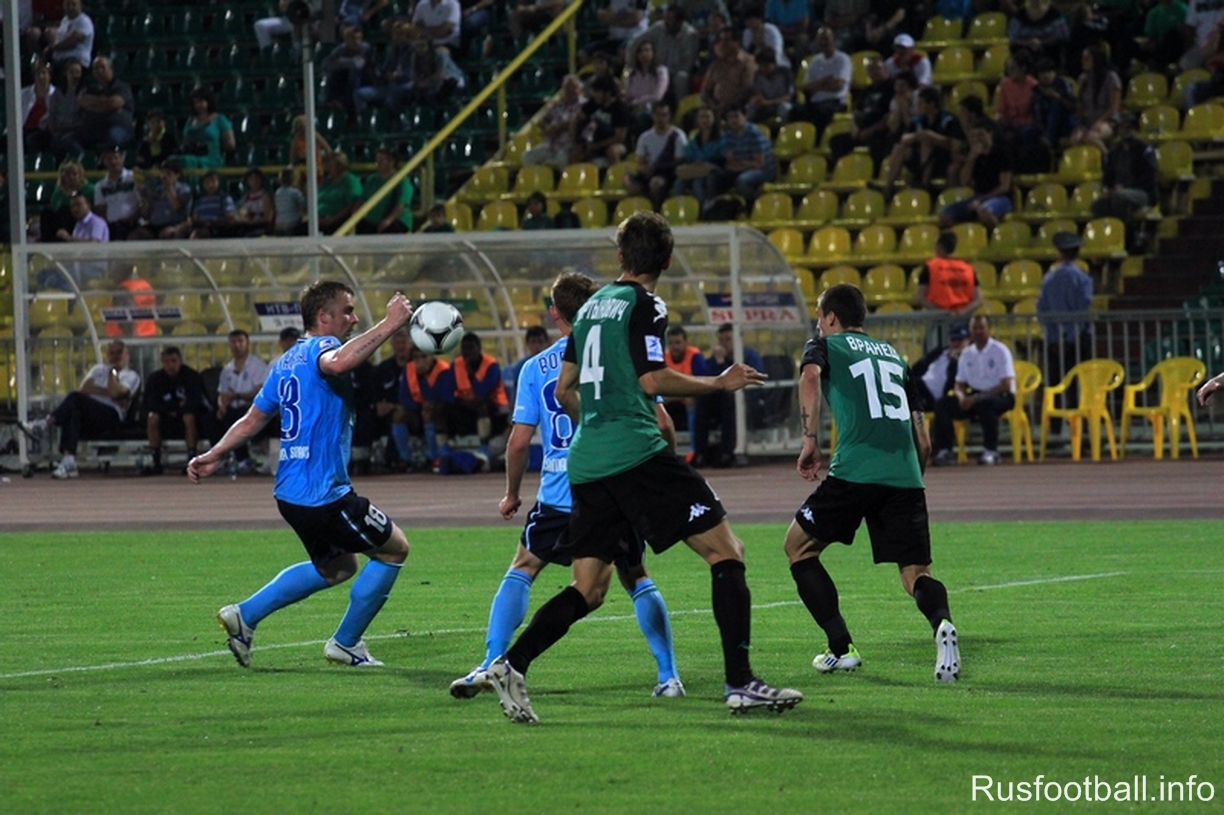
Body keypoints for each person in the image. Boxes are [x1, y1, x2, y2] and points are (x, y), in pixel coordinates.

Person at [480, 211, 802, 723]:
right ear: (667, 261)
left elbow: (564, 390)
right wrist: (718, 383)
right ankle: (741, 683)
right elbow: (652, 380)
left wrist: (598, 419)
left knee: (589, 588)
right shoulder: (646, 304)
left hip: (587, 461)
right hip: (636, 452)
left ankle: (511, 663)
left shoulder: (590, 308)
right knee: (727, 551)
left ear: (620, 256)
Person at [450, 271, 685, 700]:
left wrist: (512, 493)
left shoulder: (535, 368)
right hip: (616, 484)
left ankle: (491, 662)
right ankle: (669, 675)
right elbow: (664, 424)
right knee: (635, 576)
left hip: (561, 490)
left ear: (554, 313)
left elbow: (518, 442)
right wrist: (663, 476)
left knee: (524, 566)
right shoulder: (620, 355)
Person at [191, 282, 415, 669]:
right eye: (347, 311)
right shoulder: (320, 349)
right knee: (395, 549)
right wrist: (390, 323)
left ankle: (245, 614)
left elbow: (253, 419)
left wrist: (215, 453)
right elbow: (339, 363)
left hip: (290, 494)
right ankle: (346, 643)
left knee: (338, 567)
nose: (354, 318)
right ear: (323, 317)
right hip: (325, 494)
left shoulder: (285, 362)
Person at [784, 282, 961, 683]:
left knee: (798, 548)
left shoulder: (823, 346)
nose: (818, 324)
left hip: (853, 472)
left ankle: (841, 649)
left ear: (831, 317)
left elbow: (809, 377)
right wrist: (909, 482)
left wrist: (809, 440)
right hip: (905, 477)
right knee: (916, 574)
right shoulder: (896, 358)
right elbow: (924, 440)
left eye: (820, 316)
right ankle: (942, 624)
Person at [21, 339, 141, 480]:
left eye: (119, 353)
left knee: (74, 398)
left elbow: (117, 393)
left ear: (126, 354)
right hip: (89, 412)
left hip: (111, 415)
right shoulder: (98, 369)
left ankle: (43, 425)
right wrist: (110, 393)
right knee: (73, 411)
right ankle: (68, 461)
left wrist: (112, 374)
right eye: (112, 353)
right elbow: (84, 389)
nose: (115, 357)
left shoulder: (131, 376)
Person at [932, 314, 1016, 466]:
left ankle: (990, 451)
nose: (978, 331)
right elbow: (959, 384)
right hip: (974, 395)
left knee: (987, 405)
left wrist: (977, 398)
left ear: (989, 329)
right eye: (974, 328)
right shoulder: (967, 354)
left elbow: (1006, 384)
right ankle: (945, 450)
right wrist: (961, 397)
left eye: (981, 328)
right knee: (942, 404)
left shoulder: (1000, 350)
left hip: (1000, 395)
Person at [1037, 231, 1093, 435]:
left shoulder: (1049, 279)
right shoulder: (1082, 278)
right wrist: (1072, 335)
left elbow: (1042, 310)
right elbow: (1084, 309)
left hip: (1053, 339)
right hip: (1078, 339)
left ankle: (1054, 430)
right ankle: (1081, 429)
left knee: (1054, 384)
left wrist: (1053, 336)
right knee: (1078, 384)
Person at [693, 322, 764, 467]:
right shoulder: (715, 358)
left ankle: (727, 452)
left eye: (728, 339)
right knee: (703, 402)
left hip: (748, 401)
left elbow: (754, 382)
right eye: (721, 340)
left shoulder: (749, 356)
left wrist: (723, 367)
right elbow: (708, 380)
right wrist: (719, 362)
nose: (724, 344)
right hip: (720, 401)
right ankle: (700, 453)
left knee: (730, 402)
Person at [880, 85, 964, 200]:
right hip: (919, 159)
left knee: (927, 142)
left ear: (931, 104)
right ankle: (889, 187)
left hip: (942, 160)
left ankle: (924, 185)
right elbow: (905, 139)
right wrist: (919, 136)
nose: (917, 106)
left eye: (920, 103)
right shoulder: (918, 120)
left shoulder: (949, 120)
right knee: (900, 148)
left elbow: (954, 145)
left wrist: (931, 137)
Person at [1090, 112, 1159, 243]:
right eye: (1121, 127)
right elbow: (1108, 175)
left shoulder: (1144, 149)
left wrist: (1125, 187)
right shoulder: (1115, 151)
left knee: (1120, 197)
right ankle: (1104, 239)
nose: (1123, 130)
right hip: (1119, 191)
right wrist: (1107, 189)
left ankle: (1127, 236)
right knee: (1098, 205)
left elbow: (1149, 177)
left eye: (1126, 126)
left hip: (1142, 192)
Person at [141, 346, 207, 476]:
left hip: (187, 417)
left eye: (173, 361)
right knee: (152, 417)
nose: (170, 365)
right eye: (166, 362)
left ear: (180, 361)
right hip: (164, 418)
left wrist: (177, 409)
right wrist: (173, 407)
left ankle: (191, 460)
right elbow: (151, 403)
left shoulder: (192, 376)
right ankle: (156, 461)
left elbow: (195, 401)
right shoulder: (155, 379)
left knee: (189, 417)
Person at [938, 123, 1014, 230]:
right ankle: (963, 236)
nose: (978, 139)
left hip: (1000, 198)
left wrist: (982, 200)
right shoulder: (974, 156)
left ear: (990, 134)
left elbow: (1004, 187)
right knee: (944, 213)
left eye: (981, 135)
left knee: (984, 211)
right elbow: (964, 182)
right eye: (974, 136)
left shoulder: (1001, 153)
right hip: (978, 197)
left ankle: (997, 236)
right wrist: (971, 158)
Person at [214, 329, 270, 474]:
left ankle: (246, 458)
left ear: (247, 343)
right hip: (233, 407)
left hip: (252, 407)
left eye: (240, 341)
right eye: (233, 342)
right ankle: (221, 459)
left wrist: (237, 396)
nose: (237, 345)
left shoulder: (257, 365)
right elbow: (223, 393)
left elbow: (259, 391)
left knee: (239, 417)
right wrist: (221, 407)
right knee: (213, 418)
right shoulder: (227, 369)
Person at [450, 331, 509, 458]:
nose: (467, 352)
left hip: (494, 407)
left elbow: (483, 392)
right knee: (440, 407)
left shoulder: (491, 365)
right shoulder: (456, 365)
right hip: (466, 405)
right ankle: (441, 451)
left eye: (470, 348)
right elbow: (448, 390)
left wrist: (471, 374)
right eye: (464, 348)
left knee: (482, 405)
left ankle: (484, 447)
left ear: (479, 348)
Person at [396, 346, 456, 463]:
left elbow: (443, 395)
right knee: (399, 414)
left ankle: (433, 456)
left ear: (432, 356)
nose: (420, 361)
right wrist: (416, 406)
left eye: (424, 357)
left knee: (428, 410)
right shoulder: (409, 369)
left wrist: (422, 378)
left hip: (441, 410)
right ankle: (405, 458)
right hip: (417, 407)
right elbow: (403, 396)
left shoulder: (443, 370)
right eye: (416, 357)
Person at [710, 105, 775, 207]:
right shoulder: (728, 135)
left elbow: (759, 164)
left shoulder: (754, 133)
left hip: (763, 171)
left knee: (743, 180)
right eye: (730, 117)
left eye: (736, 116)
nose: (733, 120)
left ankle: (752, 207)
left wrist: (740, 164)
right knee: (715, 177)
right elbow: (730, 162)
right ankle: (719, 207)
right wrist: (739, 165)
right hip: (741, 168)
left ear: (745, 117)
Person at [626, 102, 687, 208]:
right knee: (632, 186)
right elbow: (640, 161)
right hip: (650, 173)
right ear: (653, 116)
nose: (661, 119)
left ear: (669, 116)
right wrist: (643, 169)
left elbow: (679, 161)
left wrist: (656, 168)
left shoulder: (678, 136)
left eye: (664, 115)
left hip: (668, 173)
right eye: (658, 115)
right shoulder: (645, 137)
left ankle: (656, 210)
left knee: (656, 184)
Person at [72, 56, 136, 154]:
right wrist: (105, 104)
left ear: (111, 69)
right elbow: (82, 100)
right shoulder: (91, 88)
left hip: (119, 127)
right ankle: (85, 158)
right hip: (95, 128)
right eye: (96, 68)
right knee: (67, 139)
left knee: (113, 137)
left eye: (102, 67)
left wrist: (93, 105)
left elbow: (113, 103)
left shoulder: (122, 87)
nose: (99, 71)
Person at [635, 5, 701, 100]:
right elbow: (637, 42)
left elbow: (688, 63)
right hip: (659, 68)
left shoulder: (690, 35)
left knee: (681, 78)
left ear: (679, 22)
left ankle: (681, 106)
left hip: (679, 71)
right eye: (665, 18)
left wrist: (668, 76)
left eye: (670, 19)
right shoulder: (658, 28)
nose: (666, 22)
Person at [796, 26, 851, 139]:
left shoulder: (843, 59)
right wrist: (823, 81)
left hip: (836, 102)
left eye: (826, 38)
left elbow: (837, 86)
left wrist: (816, 85)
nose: (824, 42)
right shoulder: (815, 61)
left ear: (833, 39)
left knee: (820, 113)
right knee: (795, 111)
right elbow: (805, 87)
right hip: (815, 102)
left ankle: (817, 142)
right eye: (821, 39)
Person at [521, 74, 585, 170]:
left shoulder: (583, 104)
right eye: (566, 88)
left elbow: (578, 121)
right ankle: (540, 178)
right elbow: (542, 121)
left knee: (561, 158)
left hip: (568, 145)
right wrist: (547, 128)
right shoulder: (558, 105)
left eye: (572, 88)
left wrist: (558, 128)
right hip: (551, 144)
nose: (569, 91)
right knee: (527, 156)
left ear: (579, 89)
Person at [374, 328, 414, 471]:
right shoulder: (384, 368)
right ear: (392, 345)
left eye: (404, 343)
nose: (401, 346)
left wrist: (395, 406)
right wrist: (377, 404)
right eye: (398, 343)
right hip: (387, 408)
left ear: (410, 344)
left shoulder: (416, 366)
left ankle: (398, 459)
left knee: (398, 415)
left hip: (410, 409)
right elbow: (376, 391)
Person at [570, 75, 632, 168]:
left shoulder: (620, 109)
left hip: (617, 143)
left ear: (607, 93)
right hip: (595, 141)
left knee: (612, 151)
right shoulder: (594, 103)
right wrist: (575, 142)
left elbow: (619, 137)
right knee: (576, 151)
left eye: (597, 92)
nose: (594, 95)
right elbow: (577, 119)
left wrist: (596, 146)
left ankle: (617, 175)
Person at [917, 231, 983, 318]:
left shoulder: (930, 267)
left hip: (938, 318)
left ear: (939, 246)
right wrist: (963, 312)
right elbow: (979, 299)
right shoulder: (968, 268)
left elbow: (920, 297)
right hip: (963, 318)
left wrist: (939, 312)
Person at [662, 324, 706, 455]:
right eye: (671, 343)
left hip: (689, 399)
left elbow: (701, 382)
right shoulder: (664, 358)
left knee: (693, 405)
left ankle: (694, 449)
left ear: (685, 342)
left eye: (678, 342)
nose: (674, 347)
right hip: (672, 398)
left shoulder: (695, 356)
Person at [1070, 44, 1122, 155]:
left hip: (1108, 119)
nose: (1083, 61)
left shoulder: (1111, 77)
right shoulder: (1083, 79)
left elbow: (1114, 108)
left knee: (1091, 138)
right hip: (1089, 120)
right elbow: (1081, 107)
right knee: (1076, 139)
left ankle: (1108, 159)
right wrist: (1081, 123)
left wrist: (1100, 121)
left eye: (1087, 58)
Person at [698, 27, 756, 120]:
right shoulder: (717, 64)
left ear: (737, 42)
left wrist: (726, 105)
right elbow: (705, 89)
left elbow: (746, 89)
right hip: (715, 106)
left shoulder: (747, 62)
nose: (722, 44)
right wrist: (711, 104)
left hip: (738, 107)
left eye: (726, 40)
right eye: (721, 40)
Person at [172, 87, 236, 170]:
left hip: (211, 159)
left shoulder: (220, 119)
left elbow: (230, 145)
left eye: (201, 101)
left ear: (208, 101)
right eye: (196, 102)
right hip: (191, 154)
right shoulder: (190, 120)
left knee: (187, 161)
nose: (198, 105)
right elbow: (185, 140)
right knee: (172, 160)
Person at [909, 324, 969, 412]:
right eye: (953, 340)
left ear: (967, 342)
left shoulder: (968, 359)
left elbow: (954, 380)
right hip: (920, 386)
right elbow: (916, 368)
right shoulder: (939, 352)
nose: (956, 343)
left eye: (960, 340)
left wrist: (954, 360)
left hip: (934, 396)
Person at [357, 146, 415, 234]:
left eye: (381, 160)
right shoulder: (372, 179)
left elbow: (401, 204)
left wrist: (388, 220)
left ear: (391, 162)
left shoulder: (403, 181)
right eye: (377, 160)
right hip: (372, 221)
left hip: (395, 221)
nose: (377, 163)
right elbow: (361, 200)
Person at [133, 159, 193, 240]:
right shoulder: (158, 190)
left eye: (168, 174)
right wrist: (144, 199)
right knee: (137, 235)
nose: (164, 176)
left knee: (168, 234)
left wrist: (169, 186)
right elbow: (146, 215)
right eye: (163, 173)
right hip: (155, 225)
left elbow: (177, 206)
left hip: (174, 224)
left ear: (177, 175)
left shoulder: (184, 189)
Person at [623, 38, 671, 136]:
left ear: (653, 53)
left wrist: (636, 102)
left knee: (641, 117)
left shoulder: (661, 71)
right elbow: (629, 94)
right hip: (635, 108)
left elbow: (657, 96)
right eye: (641, 51)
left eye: (647, 50)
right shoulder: (632, 73)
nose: (644, 54)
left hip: (653, 108)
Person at [93, 144, 141, 241]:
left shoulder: (133, 178)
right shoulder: (100, 186)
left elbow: (142, 203)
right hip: (112, 227)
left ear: (121, 158)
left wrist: (132, 219)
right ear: (104, 161)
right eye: (109, 159)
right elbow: (100, 210)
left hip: (134, 225)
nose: (113, 162)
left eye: (116, 158)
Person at [744, 47, 794, 124]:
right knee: (750, 107)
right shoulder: (758, 75)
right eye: (760, 66)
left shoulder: (785, 73)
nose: (763, 69)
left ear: (774, 63)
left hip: (781, 103)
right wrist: (758, 100)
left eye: (766, 66)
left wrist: (769, 102)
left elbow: (789, 97)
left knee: (784, 108)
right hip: (765, 106)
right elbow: (758, 93)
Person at [504, 326, 550, 405]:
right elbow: (517, 394)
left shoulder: (553, 365)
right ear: (527, 344)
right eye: (533, 342)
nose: (537, 346)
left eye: (540, 342)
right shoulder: (521, 367)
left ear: (547, 343)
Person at [186, 170, 238, 239]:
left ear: (219, 183)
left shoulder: (224, 198)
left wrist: (213, 223)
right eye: (207, 182)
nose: (210, 184)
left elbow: (229, 217)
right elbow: (195, 217)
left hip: (218, 228)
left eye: (213, 181)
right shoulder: (200, 201)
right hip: (202, 226)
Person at [273, 167, 307, 236]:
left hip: (279, 224)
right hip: (292, 225)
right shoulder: (295, 192)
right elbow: (305, 205)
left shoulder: (277, 192)